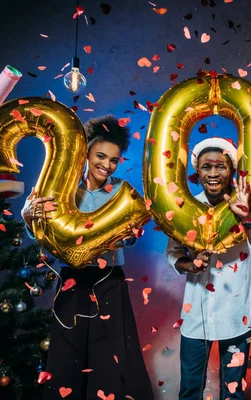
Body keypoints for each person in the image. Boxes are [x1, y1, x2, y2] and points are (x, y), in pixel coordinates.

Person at [21, 115, 154, 400]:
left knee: (111, 357)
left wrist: (130, 236)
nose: (106, 165)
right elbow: (42, 234)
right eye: (101, 156)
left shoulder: (122, 193)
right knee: (67, 354)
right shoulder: (62, 189)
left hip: (109, 282)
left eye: (114, 160)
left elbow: (127, 240)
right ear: (86, 153)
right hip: (73, 281)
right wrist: (27, 217)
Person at [165, 137, 251, 400]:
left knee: (233, 392)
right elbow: (173, 253)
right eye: (206, 167)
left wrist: (247, 219)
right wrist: (192, 264)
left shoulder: (248, 205)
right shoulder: (185, 208)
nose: (213, 174)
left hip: (237, 316)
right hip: (195, 317)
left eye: (220, 167)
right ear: (197, 172)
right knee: (190, 390)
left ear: (231, 171)